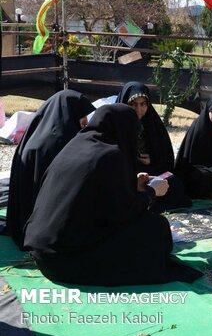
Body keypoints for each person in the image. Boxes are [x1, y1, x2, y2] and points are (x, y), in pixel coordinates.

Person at [23, 104, 202, 286]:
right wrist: (152, 191)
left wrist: (133, 184)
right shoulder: (110, 155)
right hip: (65, 259)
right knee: (156, 227)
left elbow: (93, 195)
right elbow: (122, 212)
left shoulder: (78, 144)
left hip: (42, 251)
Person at [6, 90, 95, 250]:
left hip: (22, 221)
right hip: (46, 228)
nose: (85, 122)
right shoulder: (63, 140)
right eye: (83, 116)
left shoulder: (38, 133)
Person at [116, 82, 191, 210]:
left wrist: (153, 160)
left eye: (143, 104)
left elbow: (166, 160)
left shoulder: (153, 125)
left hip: (150, 173)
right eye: (133, 104)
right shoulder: (116, 125)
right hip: (125, 177)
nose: (138, 110)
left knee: (174, 181)